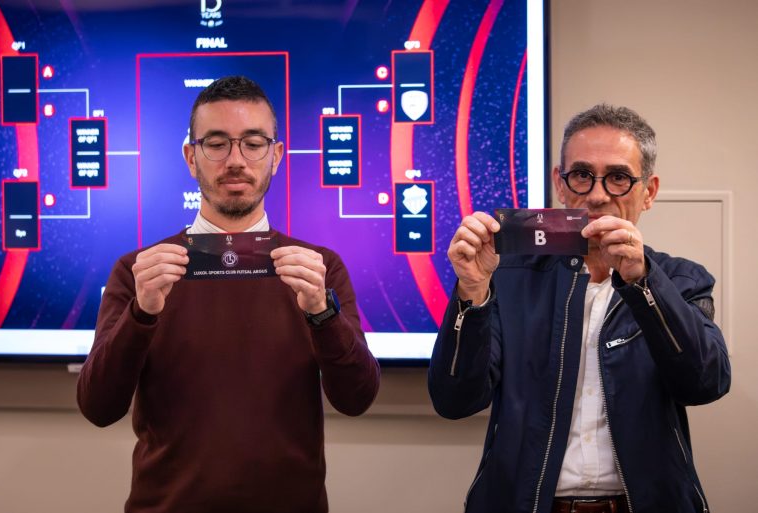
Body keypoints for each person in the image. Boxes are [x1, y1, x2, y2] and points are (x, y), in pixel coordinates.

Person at [77, 75, 380, 513]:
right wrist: (142, 314)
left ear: (276, 156)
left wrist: (321, 312)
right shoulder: (139, 272)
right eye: (217, 144)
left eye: (253, 143)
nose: (235, 160)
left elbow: (358, 398)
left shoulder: (319, 269)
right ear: (191, 156)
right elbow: (98, 408)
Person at [428, 104, 730, 513]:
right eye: (582, 175)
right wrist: (472, 290)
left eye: (619, 177)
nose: (598, 195)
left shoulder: (682, 280)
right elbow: (454, 400)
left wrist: (642, 282)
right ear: (560, 183)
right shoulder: (506, 275)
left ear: (649, 192)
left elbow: (705, 383)